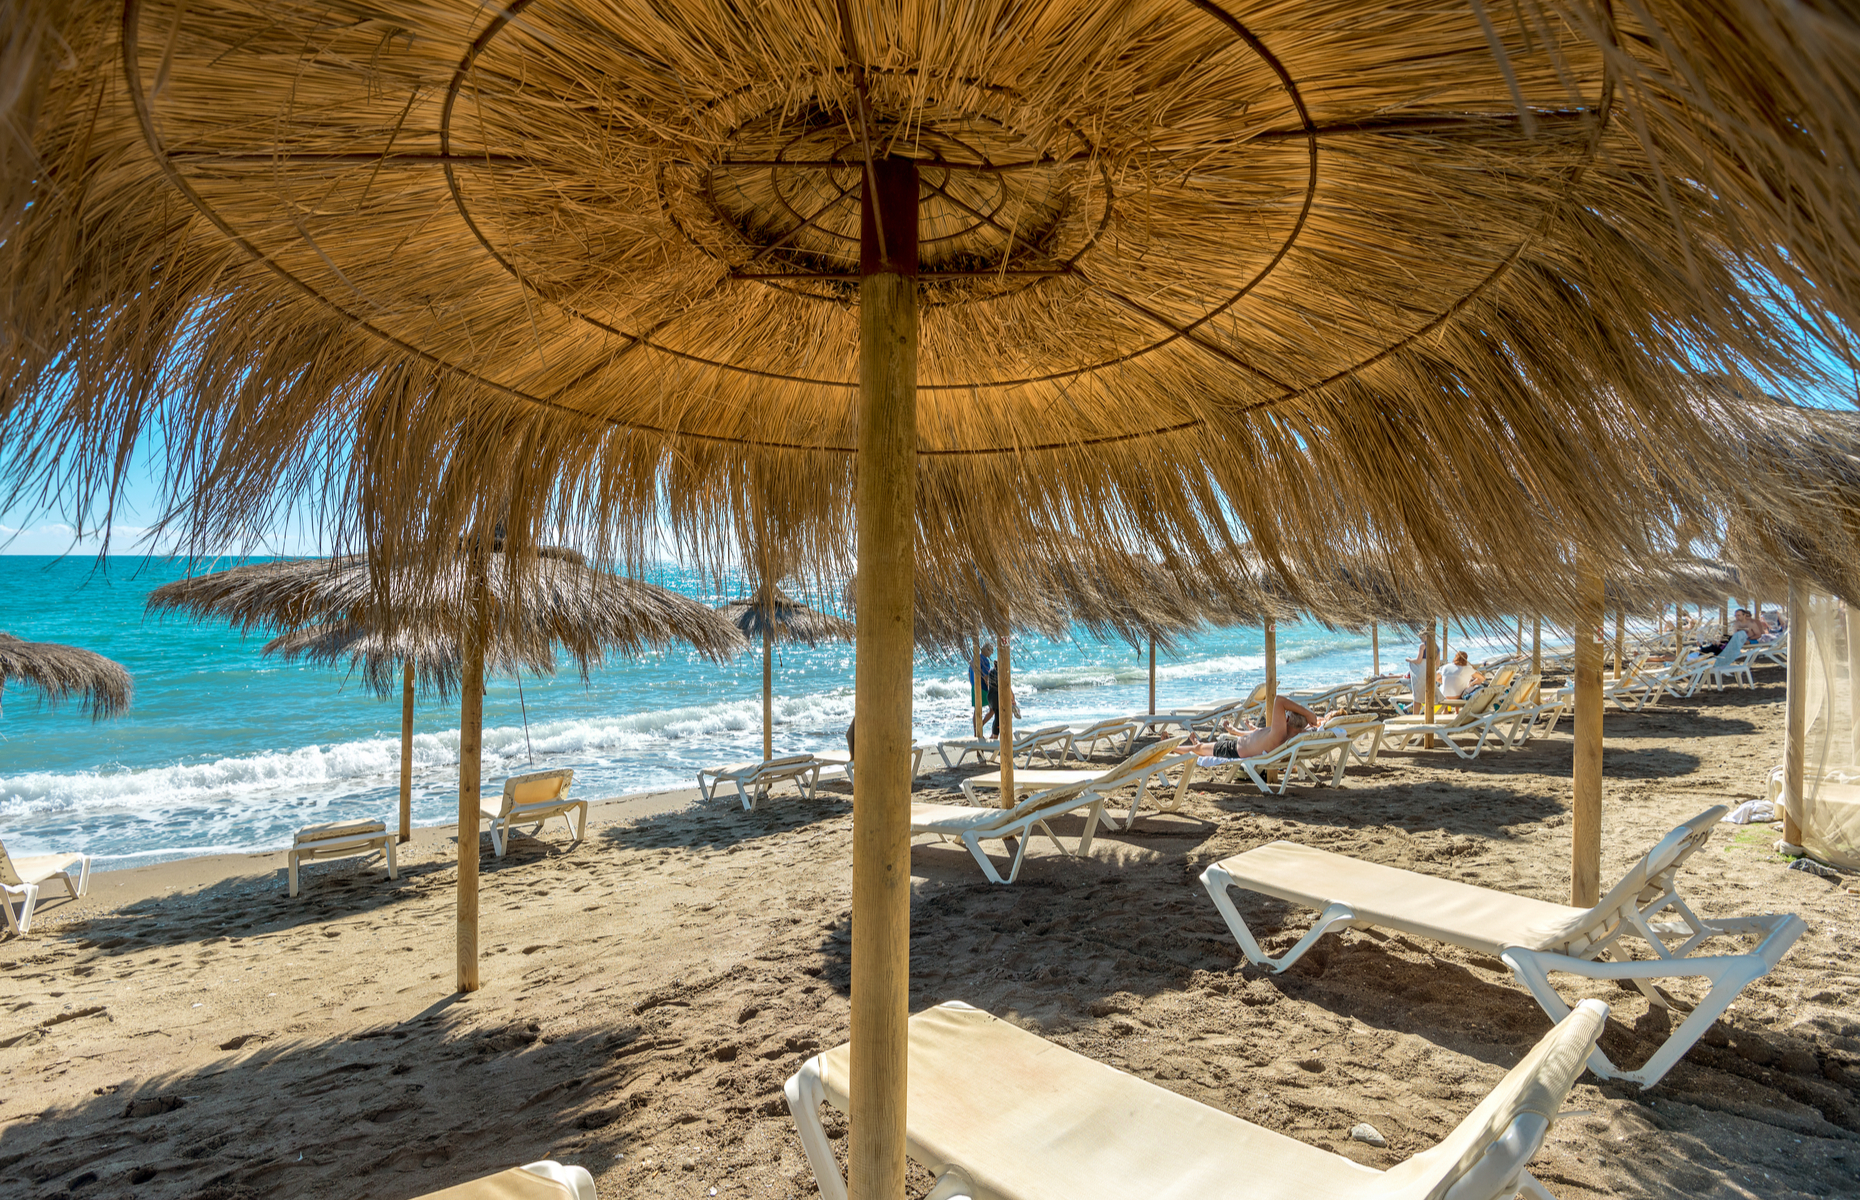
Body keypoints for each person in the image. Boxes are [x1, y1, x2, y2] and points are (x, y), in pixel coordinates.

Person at [1182, 695, 1325, 766]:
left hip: (1233, 749)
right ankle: (1195, 742)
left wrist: (1307, 713)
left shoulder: (1279, 733)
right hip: (1242, 744)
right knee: (1201, 746)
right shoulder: (1298, 734)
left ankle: (1172, 749)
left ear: (1286, 720)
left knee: (1199, 748)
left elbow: (1279, 700)